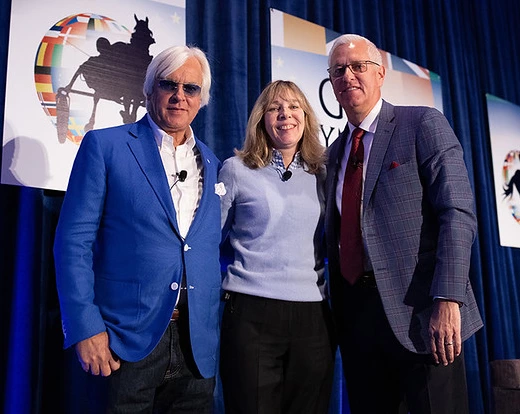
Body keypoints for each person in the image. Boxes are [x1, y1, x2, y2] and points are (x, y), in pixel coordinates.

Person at [54, 45, 222, 413]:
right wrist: (85, 327)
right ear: (148, 90)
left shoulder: (212, 162)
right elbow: (73, 243)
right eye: (169, 84)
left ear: (201, 99)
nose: (179, 96)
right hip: (122, 344)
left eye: (190, 88)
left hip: (196, 349)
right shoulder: (105, 146)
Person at [324, 34, 483, 413]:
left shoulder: (422, 123)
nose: (348, 76)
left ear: (381, 73)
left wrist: (448, 300)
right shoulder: (332, 154)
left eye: (358, 66)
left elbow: (457, 213)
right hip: (358, 320)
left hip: (425, 315)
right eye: (338, 70)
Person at [219, 80, 336, 414]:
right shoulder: (236, 170)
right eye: (275, 108)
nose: (285, 114)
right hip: (250, 315)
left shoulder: (324, 174)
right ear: (262, 119)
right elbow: (208, 240)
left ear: (306, 117)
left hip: (313, 317)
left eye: (294, 106)